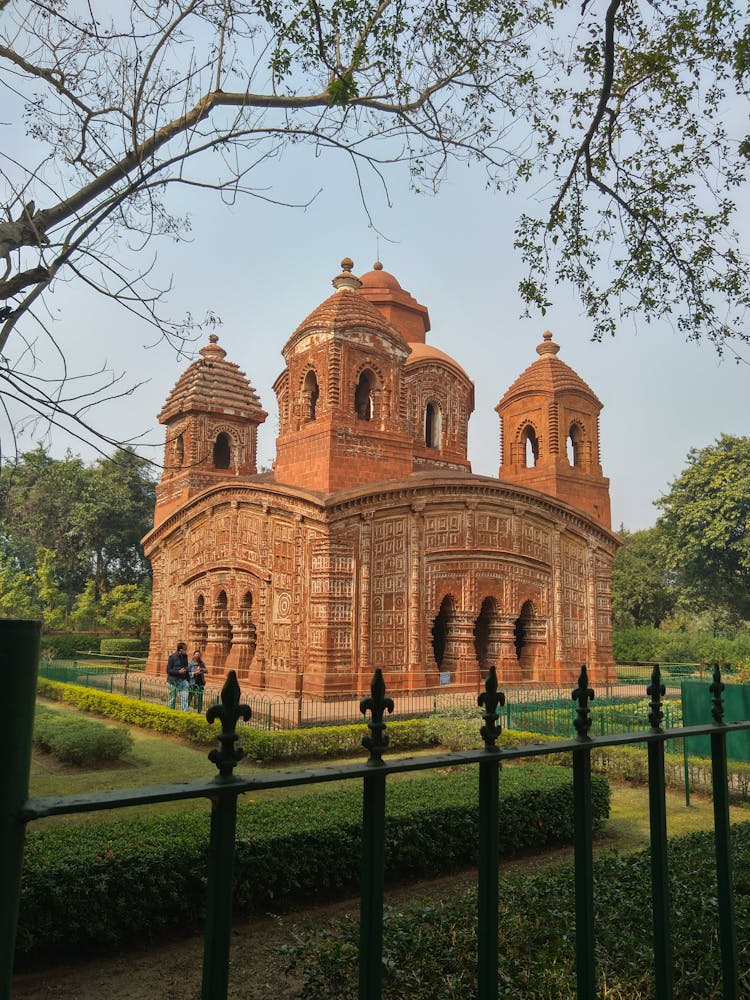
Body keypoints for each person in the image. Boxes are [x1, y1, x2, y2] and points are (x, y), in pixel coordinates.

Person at [166, 641, 190, 710]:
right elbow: (168, 670)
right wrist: (178, 672)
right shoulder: (172, 657)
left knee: (184, 698)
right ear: (181, 650)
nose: (186, 651)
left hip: (183, 680)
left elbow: (186, 667)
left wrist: (188, 679)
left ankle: (185, 713)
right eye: (185, 649)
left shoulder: (185, 656)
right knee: (172, 698)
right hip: (174, 681)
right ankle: (170, 711)